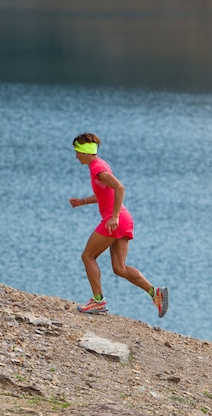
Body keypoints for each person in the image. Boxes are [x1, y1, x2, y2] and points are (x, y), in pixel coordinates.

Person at [69, 132, 168, 318]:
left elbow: (119, 188)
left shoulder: (97, 167)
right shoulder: (100, 164)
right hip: (123, 218)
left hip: (115, 220)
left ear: (85, 151)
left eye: (77, 152)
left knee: (88, 256)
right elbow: (105, 194)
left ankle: (98, 302)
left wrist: (113, 217)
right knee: (119, 267)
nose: (76, 156)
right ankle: (156, 293)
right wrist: (82, 201)